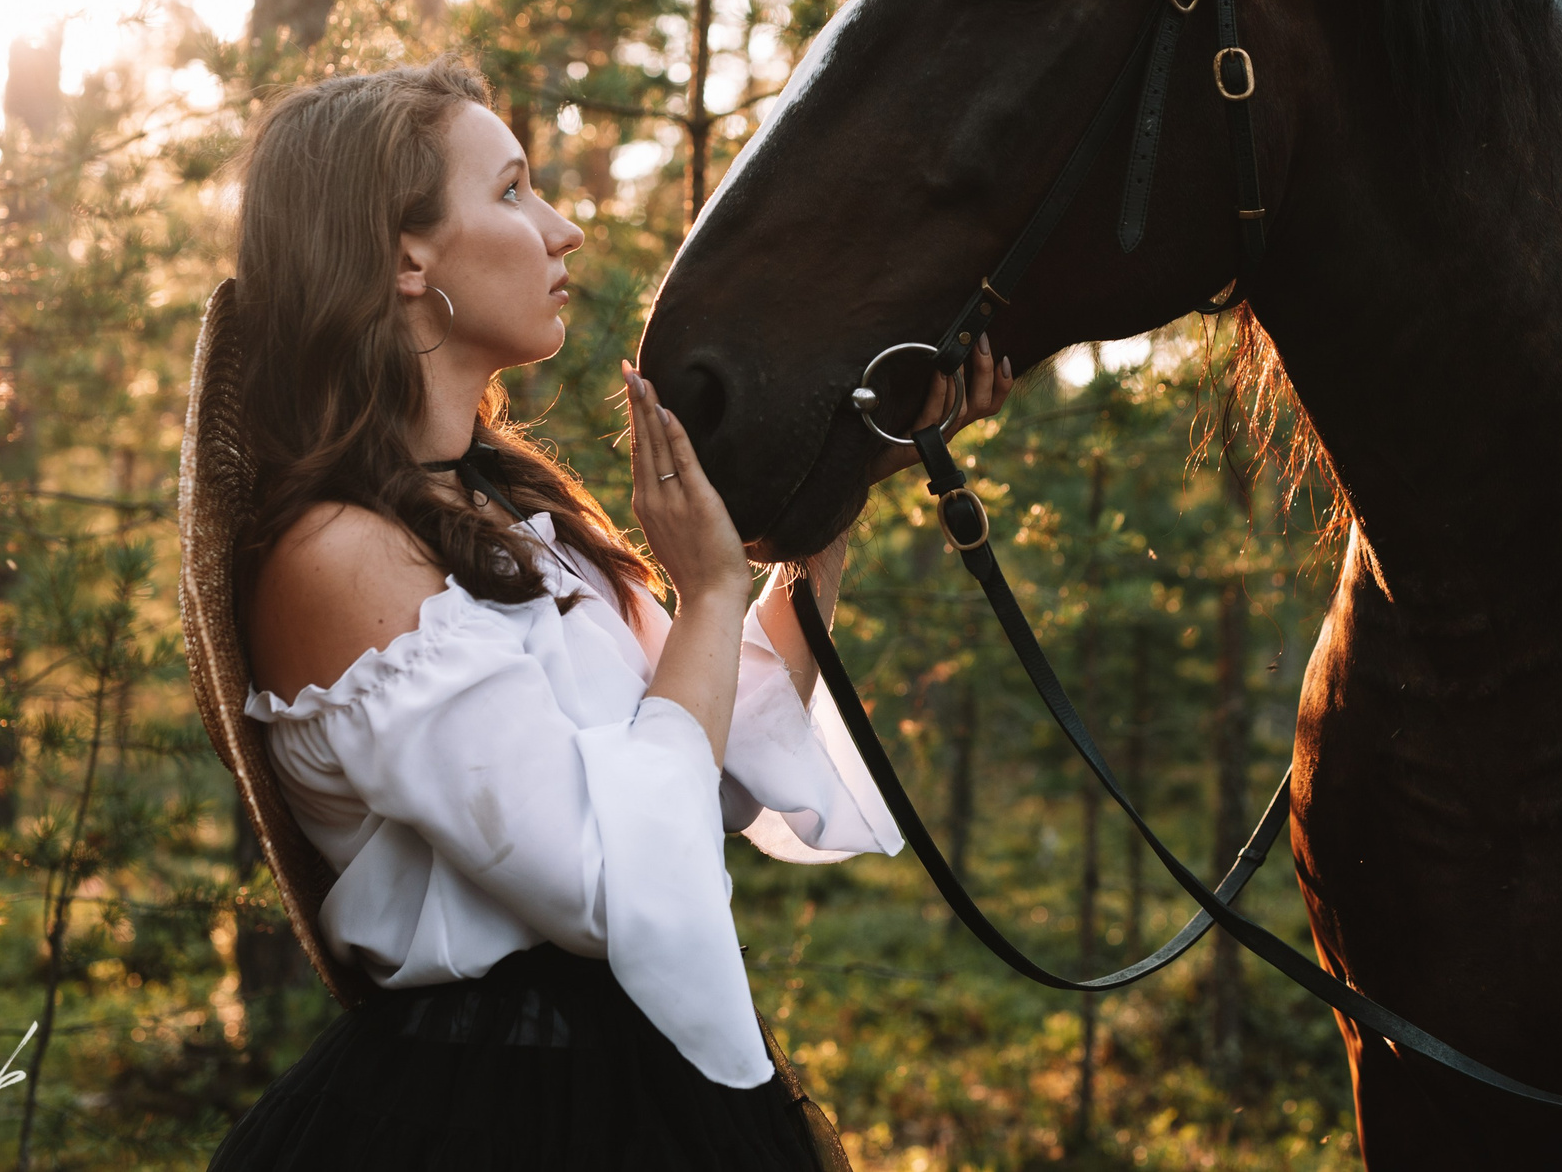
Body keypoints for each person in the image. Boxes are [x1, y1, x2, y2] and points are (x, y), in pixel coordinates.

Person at [184, 58, 1011, 1170]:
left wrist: (851, 469)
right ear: (403, 254)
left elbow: (697, 769)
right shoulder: (339, 555)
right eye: (515, 191)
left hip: (637, 1077)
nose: (564, 228)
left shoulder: (516, 511)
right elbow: (604, 874)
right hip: (480, 1115)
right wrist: (711, 588)